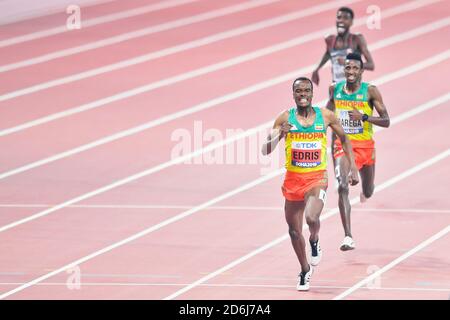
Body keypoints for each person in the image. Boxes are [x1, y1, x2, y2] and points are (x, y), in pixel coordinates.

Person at [261, 77, 359, 291]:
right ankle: (305, 270)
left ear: (312, 94)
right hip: (293, 179)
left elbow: (344, 138)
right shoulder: (284, 118)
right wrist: (279, 134)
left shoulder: (325, 116)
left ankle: (314, 239)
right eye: (298, 91)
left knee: (311, 217)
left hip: (317, 178)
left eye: (306, 90)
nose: (302, 94)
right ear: (293, 94)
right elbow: (265, 149)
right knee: (294, 232)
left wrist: (352, 167)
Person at [326, 53, 390, 251]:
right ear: (343, 70)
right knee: (342, 185)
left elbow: (386, 121)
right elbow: (327, 114)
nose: (351, 72)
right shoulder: (335, 89)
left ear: (362, 71)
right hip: (342, 146)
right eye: (348, 68)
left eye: (355, 68)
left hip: (365, 147)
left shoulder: (370, 91)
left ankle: (365, 190)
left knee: (369, 190)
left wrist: (363, 117)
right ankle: (348, 236)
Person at [311, 6, 375, 86]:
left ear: (351, 22)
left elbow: (371, 65)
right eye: (339, 17)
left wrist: (347, 63)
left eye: (345, 18)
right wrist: (317, 69)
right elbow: (328, 53)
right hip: (336, 88)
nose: (341, 20)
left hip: (353, 90)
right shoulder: (330, 40)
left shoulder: (356, 40)